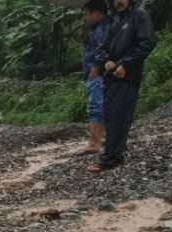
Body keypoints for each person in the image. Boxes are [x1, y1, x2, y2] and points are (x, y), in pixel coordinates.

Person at [87, 0, 156, 173]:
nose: (119, 1)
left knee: (119, 116)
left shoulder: (139, 16)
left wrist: (125, 65)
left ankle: (110, 159)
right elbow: (102, 47)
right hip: (110, 76)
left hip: (128, 76)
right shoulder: (113, 19)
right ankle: (114, 154)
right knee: (111, 115)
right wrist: (106, 61)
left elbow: (147, 42)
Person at [81, 0, 109, 153]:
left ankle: (94, 142)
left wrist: (96, 67)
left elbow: (102, 49)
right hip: (94, 71)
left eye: (87, 13)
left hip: (96, 73)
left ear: (95, 13)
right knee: (99, 105)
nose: (86, 17)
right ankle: (98, 139)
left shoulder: (102, 29)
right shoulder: (97, 28)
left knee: (96, 106)